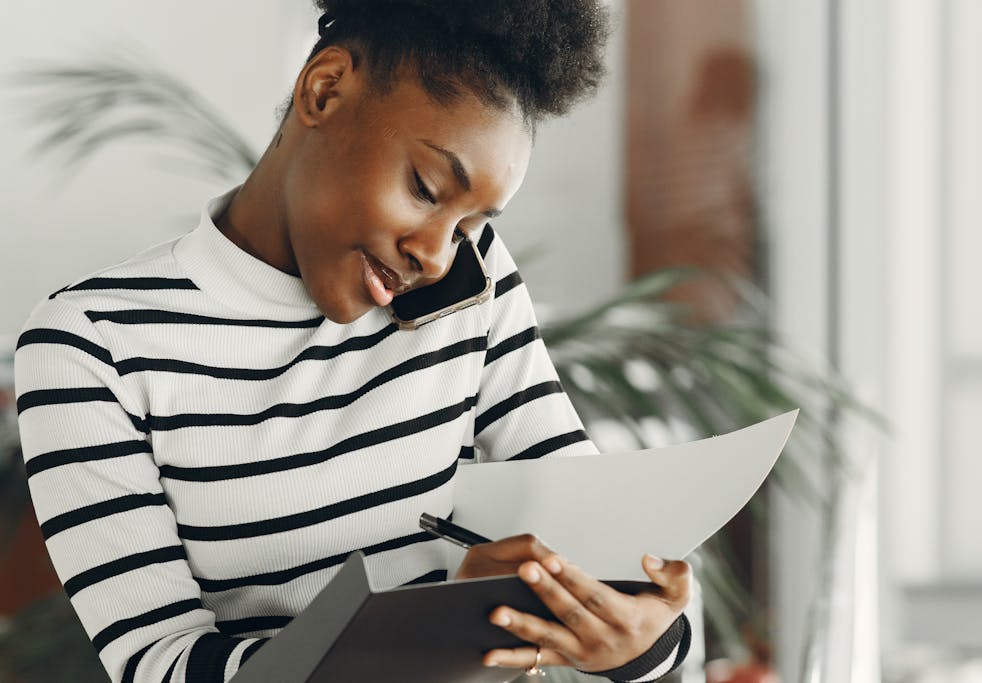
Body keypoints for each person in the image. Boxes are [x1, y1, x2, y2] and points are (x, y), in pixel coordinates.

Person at [14, 1, 693, 681]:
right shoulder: (91, 347)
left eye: (467, 225)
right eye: (427, 188)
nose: (434, 254)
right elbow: (159, 664)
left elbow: (599, 531)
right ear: (325, 89)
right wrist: (440, 629)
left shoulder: (469, 283)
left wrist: (645, 639)